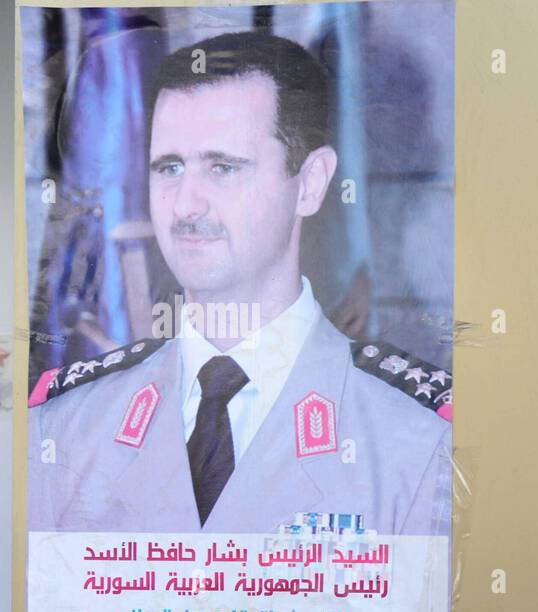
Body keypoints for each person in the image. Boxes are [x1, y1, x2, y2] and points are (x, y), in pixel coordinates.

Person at [27, 31, 452, 536]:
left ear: (311, 183)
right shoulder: (69, 424)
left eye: (222, 167)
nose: (185, 204)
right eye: (169, 168)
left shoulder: (416, 434)